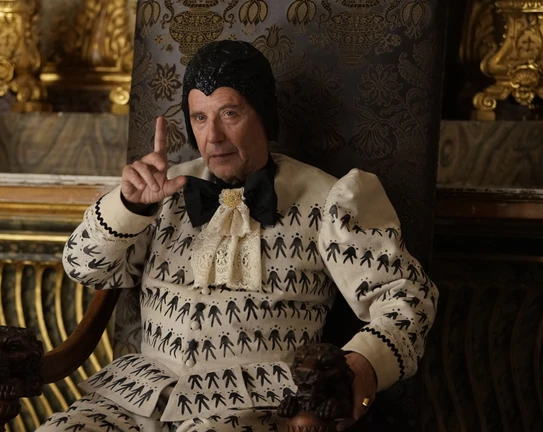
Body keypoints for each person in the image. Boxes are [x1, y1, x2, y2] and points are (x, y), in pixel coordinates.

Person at [37, 40, 437, 432]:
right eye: (199, 118)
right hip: (137, 395)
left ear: (263, 115)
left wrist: (363, 363)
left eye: (229, 113)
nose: (212, 137)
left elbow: (408, 299)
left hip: (250, 405)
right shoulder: (163, 189)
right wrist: (129, 208)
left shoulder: (331, 199)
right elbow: (82, 268)